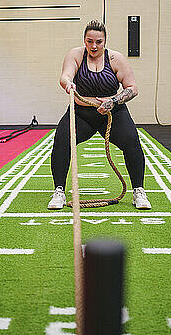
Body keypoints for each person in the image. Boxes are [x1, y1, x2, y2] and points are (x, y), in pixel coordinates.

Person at [47, 20, 150, 210]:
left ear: (105, 41)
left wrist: (114, 102)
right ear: (84, 40)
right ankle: (59, 191)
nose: (94, 46)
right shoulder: (76, 55)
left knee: (132, 142)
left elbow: (132, 88)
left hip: (113, 112)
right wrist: (68, 83)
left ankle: (138, 191)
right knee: (62, 139)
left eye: (99, 42)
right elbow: (65, 76)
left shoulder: (116, 59)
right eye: (89, 41)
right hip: (82, 113)